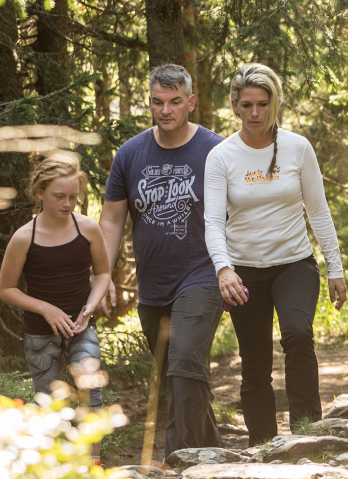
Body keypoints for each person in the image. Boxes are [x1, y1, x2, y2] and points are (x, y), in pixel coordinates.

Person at [204, 63, 347, 446]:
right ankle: (263, 445)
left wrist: (336, 266)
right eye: (247, 105)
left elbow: (318, 211)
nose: (255, 114)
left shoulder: (298, 148)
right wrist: (224, 269)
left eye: (262, 104)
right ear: (235, 106)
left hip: (294, 263)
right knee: (254, 363)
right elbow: (213, 221)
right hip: (243, 272)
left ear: (274, 104)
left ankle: (307, 434)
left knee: (298, 335)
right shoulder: (221, 157)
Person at [99, 63, 224, 457]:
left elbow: (238, 213)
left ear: (190, 103)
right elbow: (112, 220)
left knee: (184, 361)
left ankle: (177, 461)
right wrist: (102, 278)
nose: (165, 110)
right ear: (149, 103)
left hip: (203, 275)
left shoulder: (215, 150)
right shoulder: (131, 153)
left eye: (174, 102)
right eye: (157, 102)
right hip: (153, 286)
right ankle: (214, 456)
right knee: (178, 375)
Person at [0, 156, 111, 466]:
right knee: (49, 406)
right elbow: (5, 289)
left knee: (91, 387)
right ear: (39, 193)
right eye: (59, 196)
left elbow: (102, 273)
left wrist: (90, 305)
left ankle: (93, 464)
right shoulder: (24, 237)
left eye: (73, 196)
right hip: (39, 332)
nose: (67, 203)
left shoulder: (87, 228)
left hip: (80, 325)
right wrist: (45, 308)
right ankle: (56, 467)